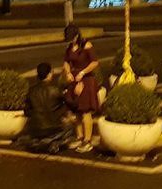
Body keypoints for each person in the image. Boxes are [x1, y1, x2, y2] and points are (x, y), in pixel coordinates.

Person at [61, 24, 101, 153]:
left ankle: (87, 140)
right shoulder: (69, 47)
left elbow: (95, 62)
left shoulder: (86, 46)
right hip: (74, 79)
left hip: (86, 80)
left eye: (71, 38)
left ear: (77, 35)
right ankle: (79, 136)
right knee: (76, 110)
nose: (70, 40)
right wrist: (68, 73)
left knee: (85, 111)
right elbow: (66, 62)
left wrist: (83, 72)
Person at [20, 62, 73, 153]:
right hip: (53, 128)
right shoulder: (55, 89)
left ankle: (40, 142)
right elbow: (70, 104)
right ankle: (54, 142)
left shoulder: (31, 90)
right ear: (48, 74)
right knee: (70, 127)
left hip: (36, 129)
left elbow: (26, 111)